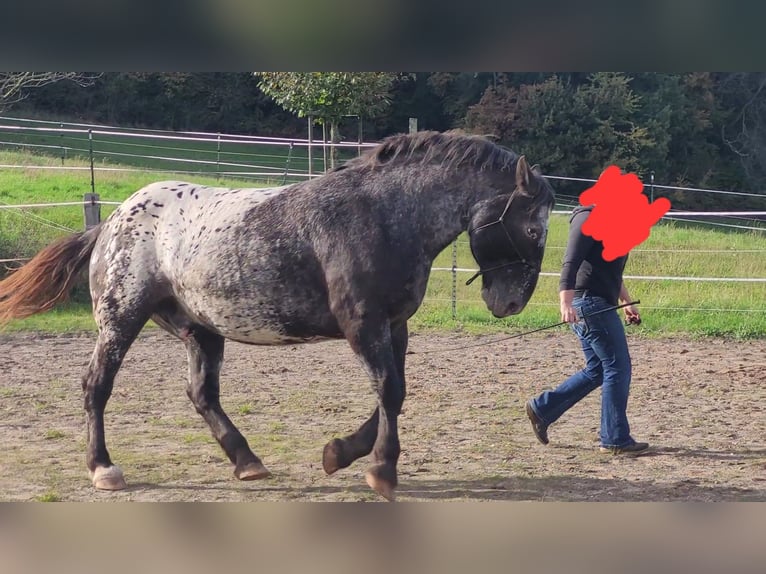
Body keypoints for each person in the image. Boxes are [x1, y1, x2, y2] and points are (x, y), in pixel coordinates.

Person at [525, 204, 648, 455]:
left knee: (598, 370)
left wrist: (625, 301)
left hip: (597, 303)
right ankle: (615, 438)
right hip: (590, 304)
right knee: (617, 367)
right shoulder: (587, 219)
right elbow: (570, 262)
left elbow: (609, 271)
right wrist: (565, 303)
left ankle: (543, 409)